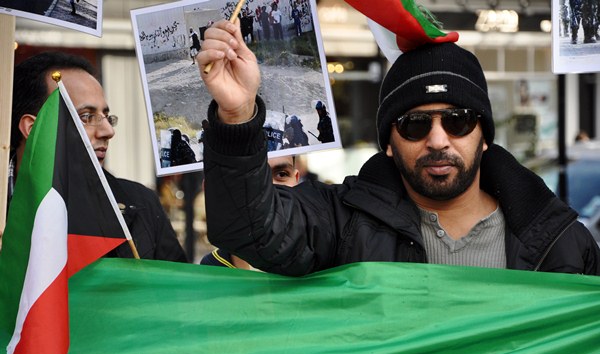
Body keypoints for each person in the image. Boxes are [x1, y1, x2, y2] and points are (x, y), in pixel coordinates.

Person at [197, 20, 600, 276]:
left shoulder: (562, 245)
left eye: (458, 121)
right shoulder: (343, 225)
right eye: (415, 125)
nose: (438, 140)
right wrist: (237, 115)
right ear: (389, 142)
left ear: (485, 134)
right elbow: (247, 229)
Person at [10, 51, 188, 262]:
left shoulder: (141, 205)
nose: (107, 131)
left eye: (106, 117)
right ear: (32, 128)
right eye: (86, 117)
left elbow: (178, 292)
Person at [200, 155, 299, 270]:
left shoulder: (320, 256)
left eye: (282, 174)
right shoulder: (213, 269)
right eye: (250, 175)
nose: (268, 188)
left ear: (296, 179)